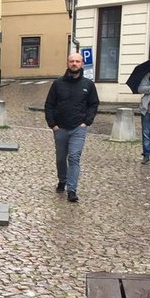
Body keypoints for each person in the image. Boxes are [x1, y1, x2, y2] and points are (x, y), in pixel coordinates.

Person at [44, 52, 100, 203]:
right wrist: (52, 124)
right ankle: (62, 180)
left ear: (82, 64)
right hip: (60, 127)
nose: (74, 64)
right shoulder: (58, 84)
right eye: (71, 61)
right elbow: (49, 104)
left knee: (74, 158)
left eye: (77, 61)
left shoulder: (88, 84)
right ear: (67, 63)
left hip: (78, 128)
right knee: (61, 158)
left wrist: (86, 122)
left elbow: (94, 104)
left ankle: (72, 189)